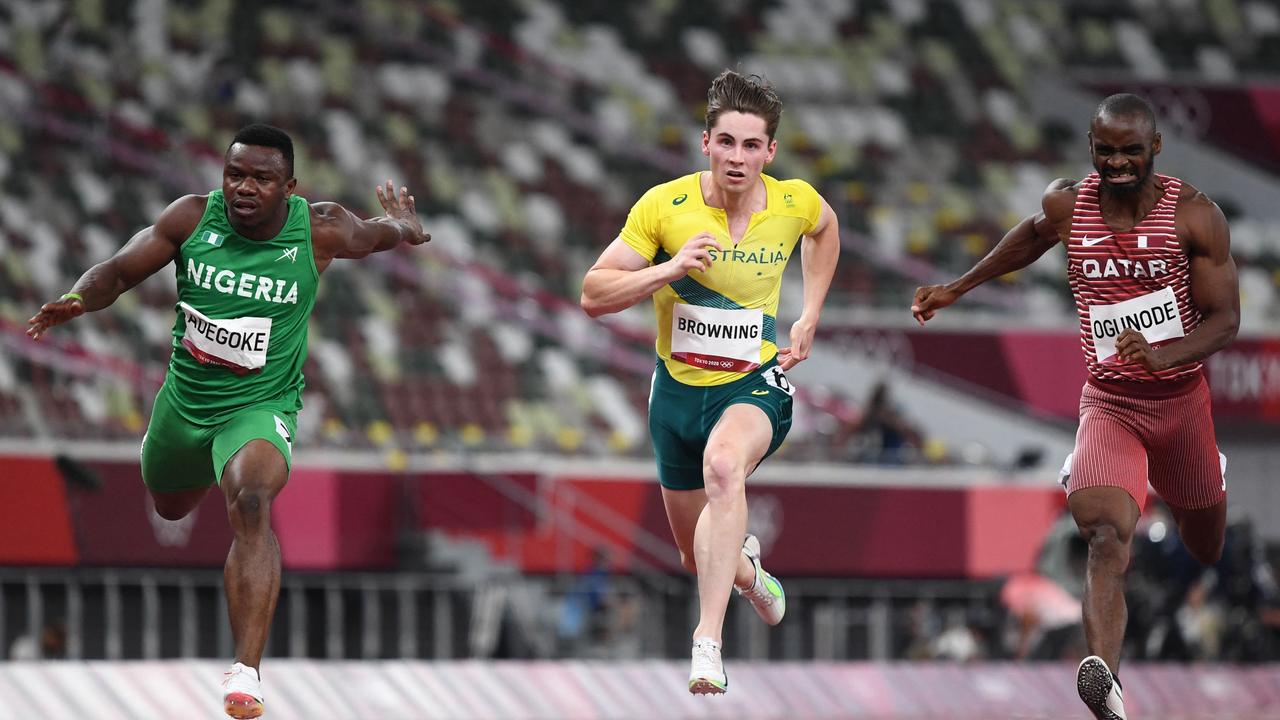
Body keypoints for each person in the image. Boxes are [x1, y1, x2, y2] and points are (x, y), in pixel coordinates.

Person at [27, 124, 430, 719]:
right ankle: (181, 456)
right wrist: (79, 299)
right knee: (168, 505)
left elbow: (376, 235)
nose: (244, 188)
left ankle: (245, 673)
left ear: (288, 187)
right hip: (185, 404)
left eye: (261, 179)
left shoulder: (319, 229)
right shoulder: (191, 219)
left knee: (251, 502)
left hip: (261, 405)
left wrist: (408, 226)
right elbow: (116, 271)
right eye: (234, 174)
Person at [912, 94, 1238, 720]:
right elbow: (1029, 239)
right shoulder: (1069, 204)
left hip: (1180, 401)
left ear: (1155, 150)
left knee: (1205, 546)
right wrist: (956, 288)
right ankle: (1107, 687)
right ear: (1091, 146)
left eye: (1130, 151)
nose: (1117, 163)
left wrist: (1166, 356)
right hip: (1111, 402)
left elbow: (1226, 320)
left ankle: (1208, 474)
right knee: (1105, 534)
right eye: (1105, 150)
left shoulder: (1194, 218)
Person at [580, 70, 840, 694]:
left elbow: (825, 230)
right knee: (699, 559)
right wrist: (668, 269)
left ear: (770, 153)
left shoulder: (793, 202)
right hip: (675, 397)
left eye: (752, 146)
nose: (738, 158)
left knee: (725, 468)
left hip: (752, 388)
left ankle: (708, 644)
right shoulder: (663, 206)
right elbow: (592, 293)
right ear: (706, 143)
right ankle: (751, 574)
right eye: (727, 142)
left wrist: (809, 315)